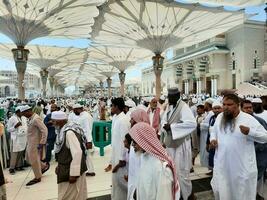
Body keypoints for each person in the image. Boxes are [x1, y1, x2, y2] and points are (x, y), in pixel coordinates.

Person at [210, 94, 267, 200]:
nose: (226, 107)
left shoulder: (248, 119)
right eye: (224, 104)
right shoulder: (220, 117)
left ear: (238, 105)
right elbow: (213, 130)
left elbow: (265, 137)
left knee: (241, 194)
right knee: (222, 191)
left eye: (230, 104)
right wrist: (212, 139)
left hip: (241, 168)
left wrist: (250, 132)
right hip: (223, 165)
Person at [161, 87, 197, 200]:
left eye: (170, 97)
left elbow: (192, 124)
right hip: (171, 144)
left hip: (181, 145)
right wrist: (165, 127)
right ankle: (176, 194)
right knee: (171, 171)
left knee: (181, 173)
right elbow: (164, 120)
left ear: (176, 96)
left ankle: (187, 196)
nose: (168, 98)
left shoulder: (183, 107)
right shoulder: (169, 106)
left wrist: (172, 127)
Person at [130, 122, 180, 200]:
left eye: (134, 141)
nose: (132, 145)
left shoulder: (161, 167)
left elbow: (164, 197)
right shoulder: (144, 156)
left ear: (144, 140)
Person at [51, 111, 87, 200]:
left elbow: (77, 153)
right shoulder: (61, 131)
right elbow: (61, 150)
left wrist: (74, 174)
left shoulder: (69, 133)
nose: (52, 123)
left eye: (54, 121)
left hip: (71, 171)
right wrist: (59, 165)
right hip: (65, 168)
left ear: (60, 121)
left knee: (70, 195)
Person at [241, 99, 267, 200]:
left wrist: (251, 150)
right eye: (246, 108)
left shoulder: (259, 121)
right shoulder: (237, 122)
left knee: (256, 180)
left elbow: (264, 140)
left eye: (250, 107)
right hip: (242, 159)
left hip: (258, 157)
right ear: (241, 109)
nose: (248, 110)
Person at [105, 97, 130, 200]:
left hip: (121, 159)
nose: (111, 108)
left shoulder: (123, 120)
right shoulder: (116, 118)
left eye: (112, 106)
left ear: (116, 107)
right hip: (116, 156)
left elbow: (125, 141)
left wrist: (122, 160)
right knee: (116, 184)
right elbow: (115, 142)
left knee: (122, 183)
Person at [21, 105, 48, 186]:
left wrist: (42, 142)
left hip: (36, 143)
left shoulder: (36, 118)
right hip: (30, 142)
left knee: (33, 160)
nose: (24, 116)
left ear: (28, 111)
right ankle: (43, 166)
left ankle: (37, 177)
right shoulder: (31, 118)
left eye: (24, 114)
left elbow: (44, 130)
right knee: (29, 158)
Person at [127, 109, 150, 200]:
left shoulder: (144, 141)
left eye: (132, 119)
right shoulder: (135, 136)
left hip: (141, 185)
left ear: (137, 120)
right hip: (133, 180)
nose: (130, 121)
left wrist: (138, 188)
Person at [71, 104, 95, 176]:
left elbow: (88, 130)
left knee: (88, 155)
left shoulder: (85, 117)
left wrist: (89, 141)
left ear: (79, 109)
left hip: (86, 138)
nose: (74, 112)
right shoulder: (82, 115)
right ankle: (88, 170)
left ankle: (91, 171)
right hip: (83, 138)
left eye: (75, 110)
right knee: (85, 155)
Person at [7, 106, 27, 174]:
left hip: (23, 137)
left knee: (21, 152)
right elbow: (8, 129)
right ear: (18, 112)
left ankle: (19, 166)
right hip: (15, 138)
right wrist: (15, 126)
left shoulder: (24, 118)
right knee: (14, 153)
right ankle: (11, 168)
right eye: (21, 112)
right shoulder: (12, 118)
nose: (23, 113)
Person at [206, 101, 223, 174]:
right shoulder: (212, 118)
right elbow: (209, 131)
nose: (216, 110)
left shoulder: (224, 118)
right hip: (212, 141)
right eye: (215, 108)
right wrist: (207, 142)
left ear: (221, 109)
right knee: (212, 156)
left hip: (220, 142)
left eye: (218, 108)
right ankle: (213, 170)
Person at [199, 98, 214, 167]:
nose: (204, 105)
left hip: (207, 135)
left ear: (208, 105)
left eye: (205, 104)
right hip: (204, 135)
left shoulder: (211, 113)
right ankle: (210, 168)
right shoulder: (207, 113)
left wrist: (201, 124)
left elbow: (210, 125)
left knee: (207, 153)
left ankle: (212, 169)